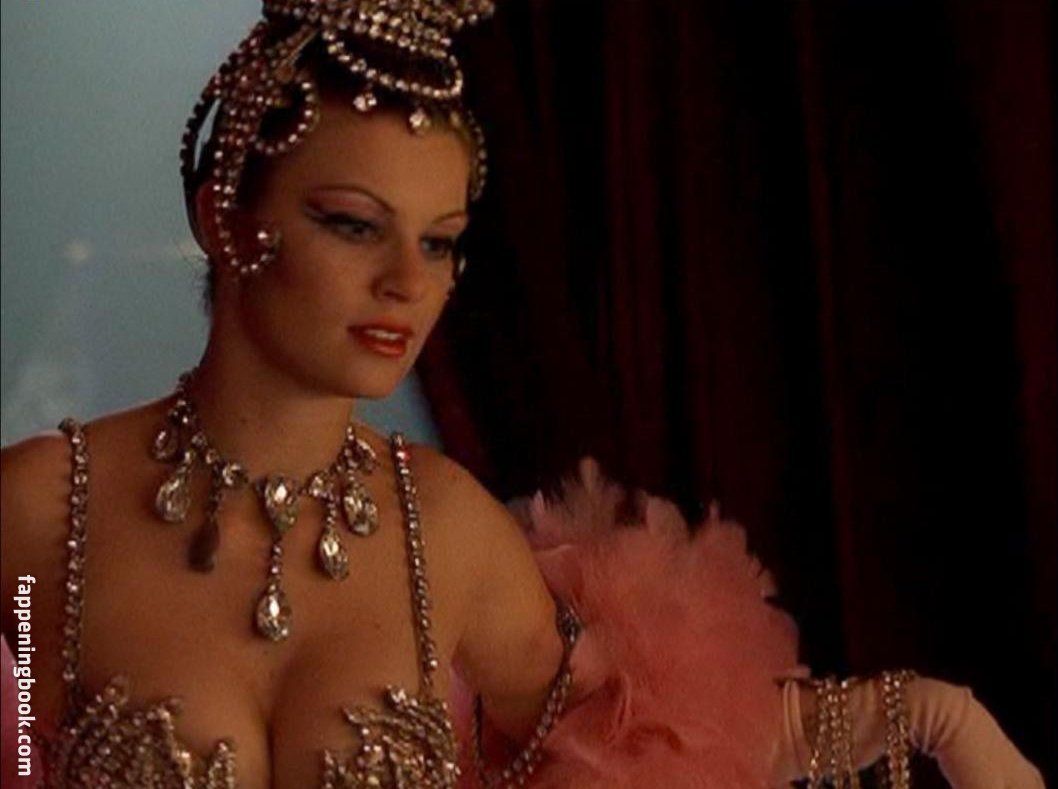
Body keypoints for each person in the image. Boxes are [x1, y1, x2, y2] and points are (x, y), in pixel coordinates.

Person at [0, 2, 1045, 787]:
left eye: (440, 242)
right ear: (224, 217)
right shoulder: (44, 509)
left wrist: (928, 714)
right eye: (354, 224)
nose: (407, 283)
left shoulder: (442, 530)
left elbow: (655, 736)